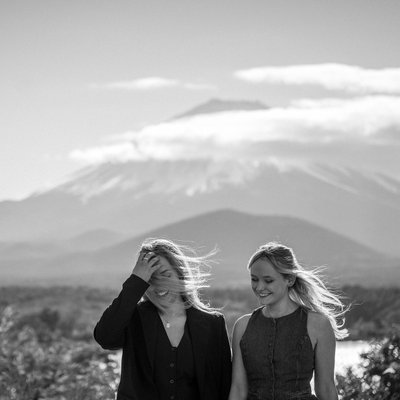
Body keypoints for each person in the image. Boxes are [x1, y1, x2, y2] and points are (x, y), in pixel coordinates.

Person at [94, 238, 231, 400]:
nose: (159, 286)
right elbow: (105, 338)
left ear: (180, 274)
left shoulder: (213, 324)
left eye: (165, 275)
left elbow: (223, 386)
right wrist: (136, 282)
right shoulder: (133, 318)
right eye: (150, 279)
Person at [229, 242, 348, 400]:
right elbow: (238, 389)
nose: (259, 287)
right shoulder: (242, 327)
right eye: (254, 279)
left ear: (290, 280)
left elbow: (326, 389)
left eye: (268, 280)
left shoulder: (318, 325)